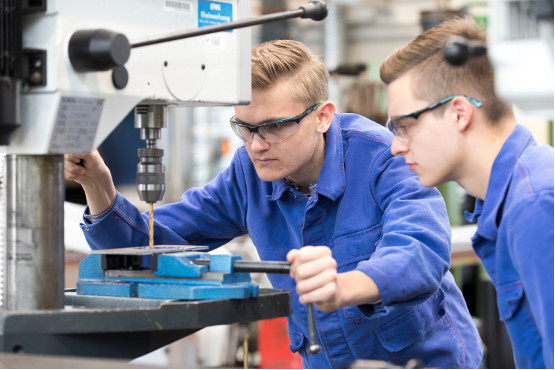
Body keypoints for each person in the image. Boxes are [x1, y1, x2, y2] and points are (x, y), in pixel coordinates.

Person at [65, 39, 482, 368]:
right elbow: (151, 246)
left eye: (274, 127)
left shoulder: (382, 157)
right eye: (244, 127)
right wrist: (98, 186)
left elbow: (420, 250)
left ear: (322, 117)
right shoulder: (248, 171)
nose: (257, 145)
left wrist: (344, 286)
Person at [380, 16, 554, 369]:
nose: (395, 147)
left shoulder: (534, 205)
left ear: (459, 113)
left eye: (404, 125)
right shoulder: (513, 198)